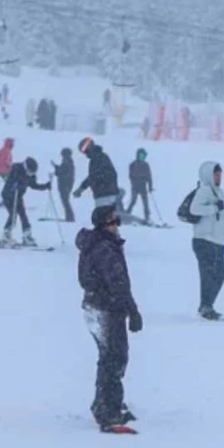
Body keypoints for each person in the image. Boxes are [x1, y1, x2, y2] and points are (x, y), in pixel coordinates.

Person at [77, 205, 143, 433]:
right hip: (105, 309)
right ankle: (108, 412)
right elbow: (118, 284)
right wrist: (132, 311)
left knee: (109, 357)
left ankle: (105, 403)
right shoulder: (105, 249)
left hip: (94, 306)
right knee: (114, 358)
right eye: (114, 222)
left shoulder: (94, 243)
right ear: (105, 225)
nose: (118, 227)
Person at [189, 161, 224, 321]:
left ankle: (207, 305)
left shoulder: (219, 192)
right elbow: (194, 209)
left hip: (216, 241)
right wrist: (214, 208)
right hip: (203, 240)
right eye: (216, 174)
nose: (219, 177)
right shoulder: (204, 190)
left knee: (220, 274)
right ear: (208, 175)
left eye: (220, 174)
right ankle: (206, 307)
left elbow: (222, 219)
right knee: (208, 274)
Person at [0, 157, 51, 246]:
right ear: (26, 168)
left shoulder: (31, 175)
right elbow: (11, 181)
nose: (30, 174)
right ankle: (6, 235)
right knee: (13, 215)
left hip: (18, 196)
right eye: (30, 172)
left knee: (23, 216)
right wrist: (16, 185)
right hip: (8, 195)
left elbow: (33, 185)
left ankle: (27, 236)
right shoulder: (16, 169)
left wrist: (45, 186)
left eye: (32, 173)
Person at [73, 137, 121, 209]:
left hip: (106, 194)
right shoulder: (97, 158)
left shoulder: (100, 158)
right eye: (83, 151)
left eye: (85, 149)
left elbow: (95, 176)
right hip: (102, 194)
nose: (85, 153)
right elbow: (93, 176)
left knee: (106, 217)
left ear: (90, 147)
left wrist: (82, 188)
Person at [126, 148, 154, 224]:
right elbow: (130, 176)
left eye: (143, 156)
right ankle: (127, 214)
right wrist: (134, 183)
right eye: (141, 155)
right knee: (133, 201)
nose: (142, 157)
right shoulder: (132, 165)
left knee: (145, 203)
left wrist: (150, 187)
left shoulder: (146, 165)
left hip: (143, 187)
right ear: (137, 155)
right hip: (135, 187)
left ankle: (147, 217)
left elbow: (149, 177)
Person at [53, 147, 76, 222]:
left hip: (65, 185)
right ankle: (69, 216)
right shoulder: (68, 163)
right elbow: (61, 172)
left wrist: (57, 169)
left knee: (65, 201)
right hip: (66, 185)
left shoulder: (67, 163)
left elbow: (61, 173)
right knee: (65, 201)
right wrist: (56, 167)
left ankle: (70, 217)